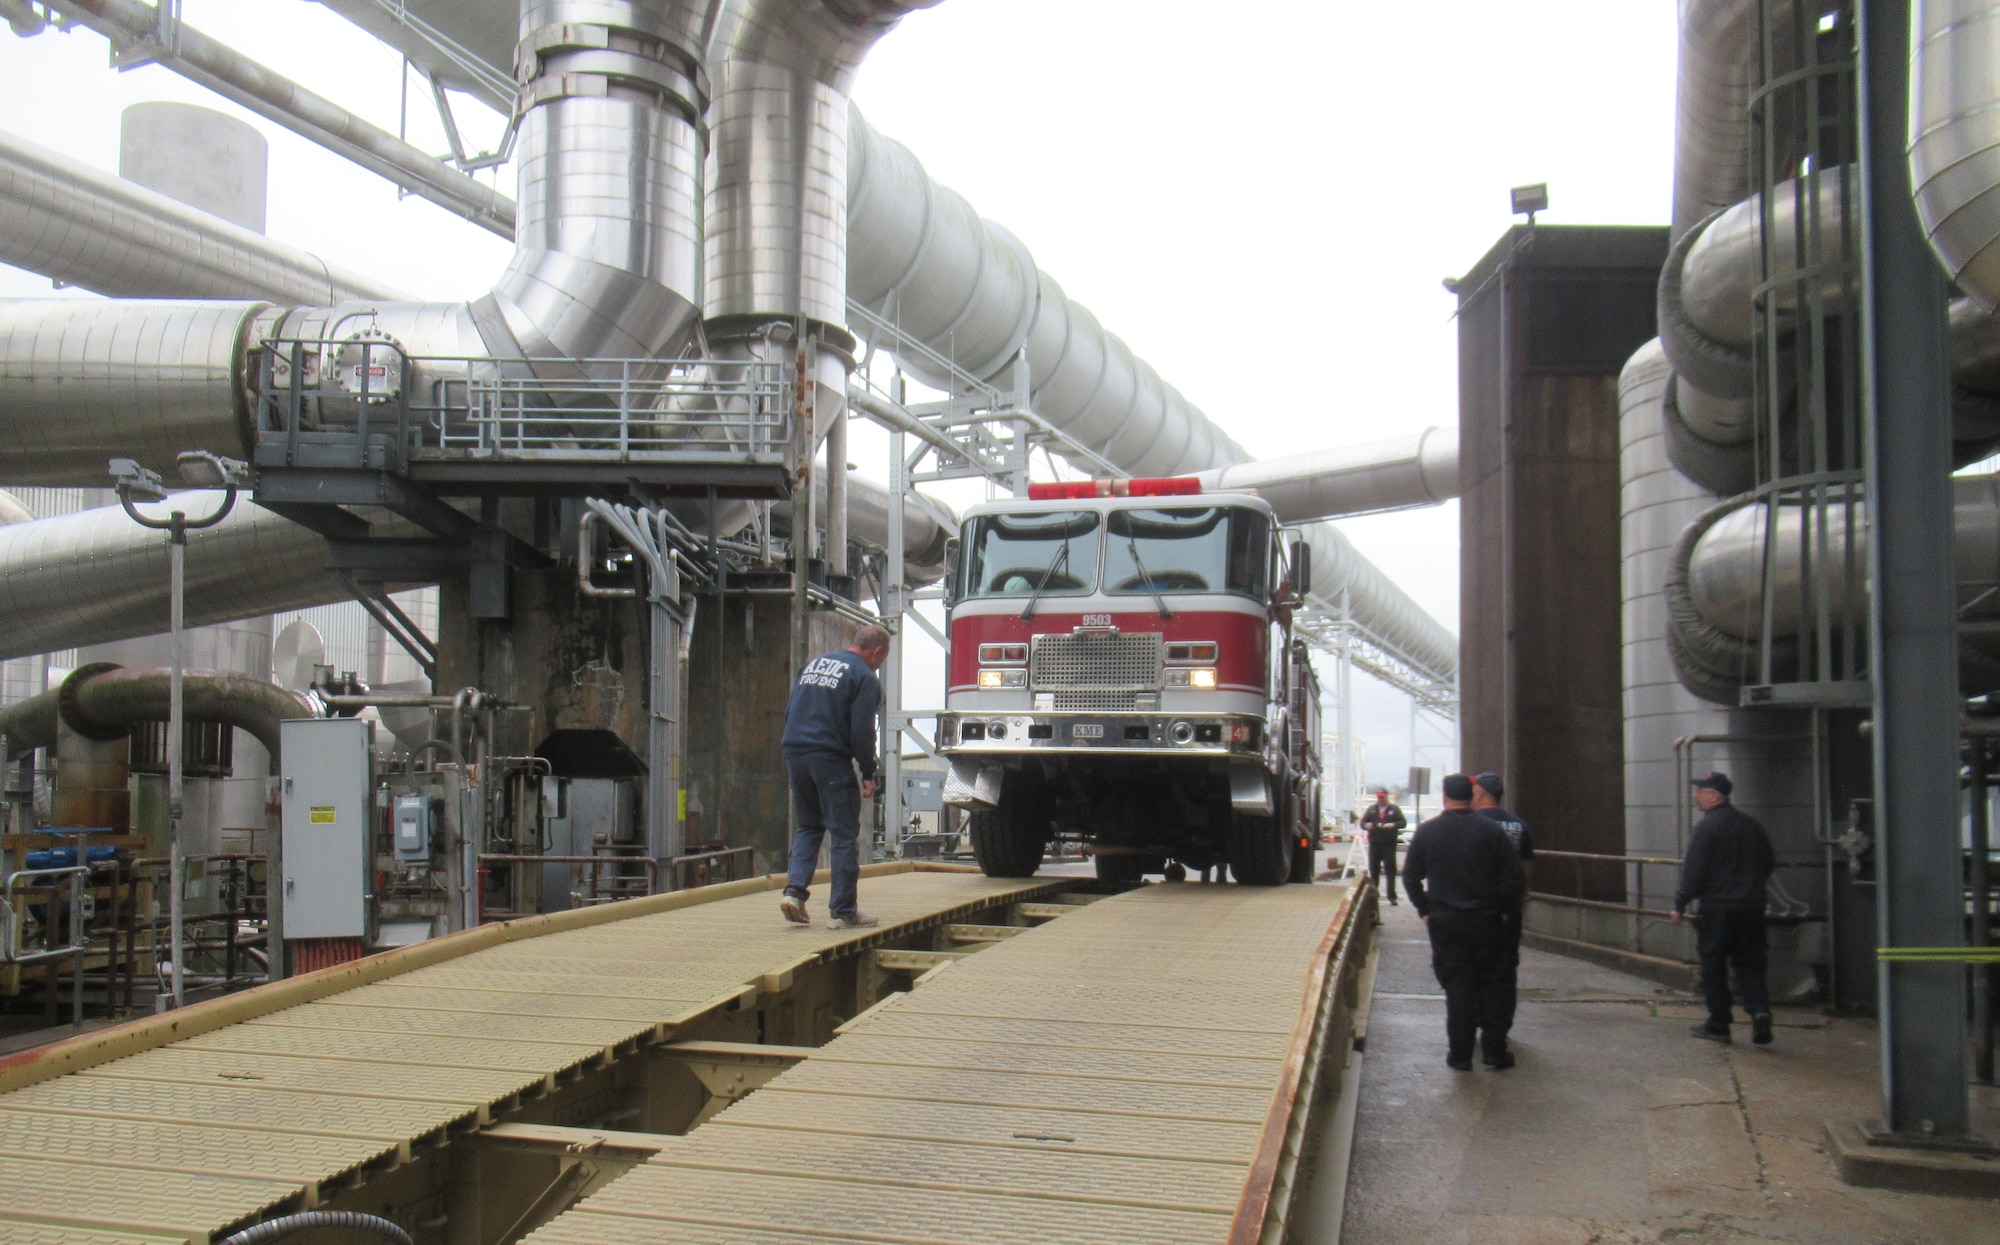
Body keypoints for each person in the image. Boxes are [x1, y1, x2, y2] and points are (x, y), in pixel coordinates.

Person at [1403, 773, 1526, 1071]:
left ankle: (1460, 1055)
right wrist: (1505, 909)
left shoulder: (1428, 833)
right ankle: (1495, 1052)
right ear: (1472, 797)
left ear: (1444, 797)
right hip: (1486, 922)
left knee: (1458, 989)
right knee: (1493, 985)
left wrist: (1425, 909)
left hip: (1446, 923)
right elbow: (1515, 876)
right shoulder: (1491, 832)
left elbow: (1410, 877)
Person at [779, 624, 891, 930]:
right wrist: (868, 772)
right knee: (843, 834)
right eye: (881, 660)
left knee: (809, 826)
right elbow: (861, 731)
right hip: (829, 757)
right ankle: (843, 910)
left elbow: (790, 712)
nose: (878, 666)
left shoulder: (813, 665)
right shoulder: (864, 677)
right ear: (877, 652)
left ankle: (794, 894)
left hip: (795, 752)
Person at [1672, 771, 1776, 1045]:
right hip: (1752, 906)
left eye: (1700, 791)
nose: (1695, 796)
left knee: (1714, 964)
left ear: (1715, 796)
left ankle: (1719, 1024)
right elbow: (1769, 862)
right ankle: (1760, 1011)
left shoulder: (1707, 828)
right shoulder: (1753, 826)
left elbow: (1694, 871)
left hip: (1718, 907)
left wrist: (1680, 903)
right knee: (1751, 962)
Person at [1472, 770, 1534, 1042]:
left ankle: (1476, 1019)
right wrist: (1519, 902)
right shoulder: (1519, 825)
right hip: (1509, 911)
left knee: (1475, 968)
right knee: (1505, 969)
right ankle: (1499, 1028)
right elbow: (1527, 870)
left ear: (1480, 793)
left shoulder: (1472, 824)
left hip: (1477, 910)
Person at [1359, 789, 1407, 905]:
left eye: (1383, 797)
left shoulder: (1394, 810)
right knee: (1374, 870)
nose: (1381, 799)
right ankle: (1374, 894)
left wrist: (1393, 825)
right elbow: (1363, 822)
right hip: (1375, 844)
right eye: (1379, 797)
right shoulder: (1372, 809)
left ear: (1386, 797)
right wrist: (1366, 825)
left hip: (1389, 845)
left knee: (1390, 870)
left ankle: (1392, 896)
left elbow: (1403, 822)